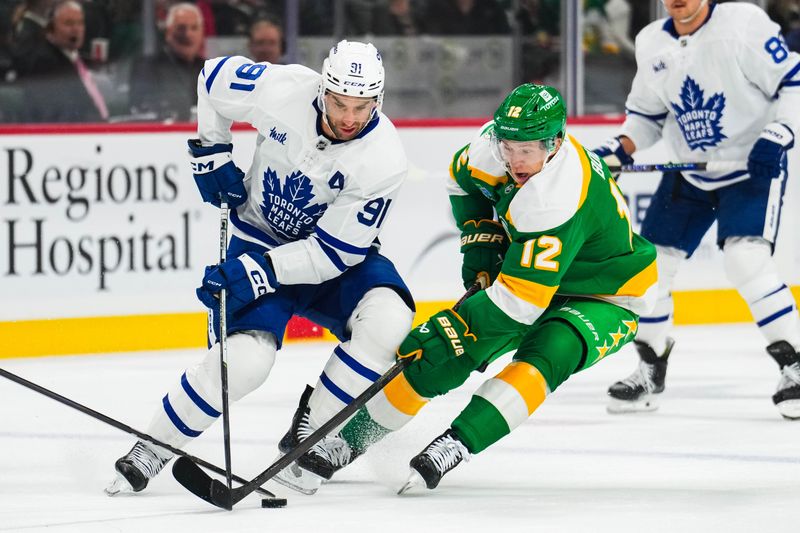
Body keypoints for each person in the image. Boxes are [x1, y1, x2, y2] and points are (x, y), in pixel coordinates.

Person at [277, 83, 659, 494]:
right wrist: (482, 245)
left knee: (551, 352)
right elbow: (463, 185)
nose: (514, 160)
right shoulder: (489, 149)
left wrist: (451, 326)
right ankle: (347, 443)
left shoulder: (555, 197)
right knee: (442, 358)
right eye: (509, 146)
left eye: (527, 150)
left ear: (556, 143)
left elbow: (518, 306)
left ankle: (458, 443)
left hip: (605, 291)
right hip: (531, 273)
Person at [105, 39, 414, 495]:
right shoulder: (284, 89)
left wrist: (256, 273)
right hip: (257, 237)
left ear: (379, 101)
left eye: (363, 107)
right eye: (339, 103)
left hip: (333, 260)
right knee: (246, 363)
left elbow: (333, 255)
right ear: (322, 90)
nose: (349, 118)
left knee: (390, 321)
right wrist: (212, 150)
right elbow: (212, 79)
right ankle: (154, 447)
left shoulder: (383, 159)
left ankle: (310, 438)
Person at [592, 0, 800, 418]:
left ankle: (794, 365)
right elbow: (646, 117)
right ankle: (650, 369)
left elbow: (792, 82)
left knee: (746, 262)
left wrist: (779, 132)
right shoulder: (652, 42)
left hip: (750, 167)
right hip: (690, 172)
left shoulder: (742, 23)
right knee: (649, 270)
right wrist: (621, 149)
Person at [22, 0, 108, 122]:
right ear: (51, 29)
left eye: (80, 23)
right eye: (69, 23)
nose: (76, 29)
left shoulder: (75, 58)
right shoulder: (46, 63)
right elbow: (59, 114)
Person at [128, 2, 205, 121]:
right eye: (181, 28)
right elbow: (143, 107)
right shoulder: (146, 67)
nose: (188, 34)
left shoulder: (209, 69)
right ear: (168, 32)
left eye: (194, 28)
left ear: (201, 33)